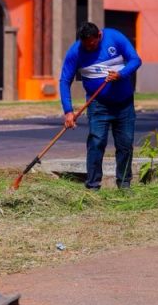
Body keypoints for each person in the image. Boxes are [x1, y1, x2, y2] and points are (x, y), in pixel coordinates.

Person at [59, 22, 142, 190]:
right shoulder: (75, 52)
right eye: (86, 44)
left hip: (124, 104)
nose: (90, 47)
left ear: (99, 36)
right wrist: (68, 111)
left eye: (93, 43)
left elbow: (135, 60)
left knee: (125, 144)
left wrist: (121, 74)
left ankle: (124, 185)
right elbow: (64, 80)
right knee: (96, 143)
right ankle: (93, 186)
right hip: (98, 105)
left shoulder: (114, 37)